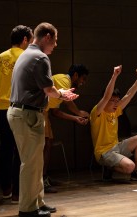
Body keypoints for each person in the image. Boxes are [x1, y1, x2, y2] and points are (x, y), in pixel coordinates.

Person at [7, 22, 79, 217]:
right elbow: (49, 90)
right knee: (30, 163)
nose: (55, 45)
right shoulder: (40, 57)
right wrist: (62, 95)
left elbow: (42, 88)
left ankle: (37, 203)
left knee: (35, 162)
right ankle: (28, 209)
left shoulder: (27, 54)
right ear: (47, 37)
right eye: (54, 41)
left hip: (23, 112)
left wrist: (60, 92)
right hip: (27, 114)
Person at [0, 25, 33, 203]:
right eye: (30, 40)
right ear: (24, 40)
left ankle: (6, 190)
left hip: (1, 108)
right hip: (18, 108)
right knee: (20, 151)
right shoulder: (26, 57)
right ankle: (18, 194)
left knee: (5, 150)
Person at [90, 65, 137, 182]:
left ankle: (136, 172)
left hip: (116, 147)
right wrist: (114, 75)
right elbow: (107, 96)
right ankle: (111, 168)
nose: (116, 104)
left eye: (117, 101)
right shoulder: (97, 113)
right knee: (129, 166)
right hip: (104, 153)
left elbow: (129, 95)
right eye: (113, 101)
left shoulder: (116, 111)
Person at [43, 64, 90, 193]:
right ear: (75, 75)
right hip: (39, 112)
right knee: (45, 145)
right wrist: (79, 113)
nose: (83, 82)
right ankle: (41, 180)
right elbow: (68, 102)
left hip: (45, 113)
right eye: (83, 78)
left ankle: (44, 176)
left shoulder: (61, 82)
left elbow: (56, 112)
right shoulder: (65, 80)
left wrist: (76, 119)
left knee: (48, 144)